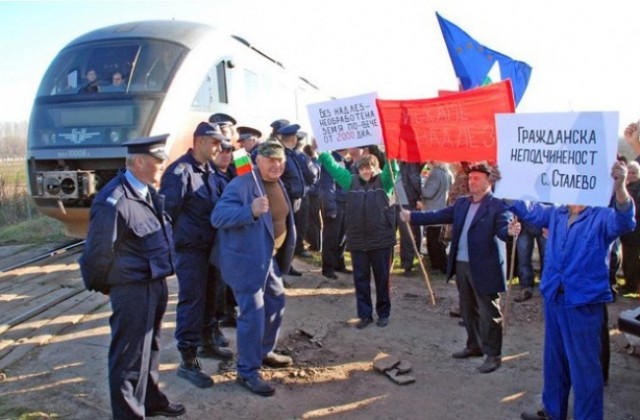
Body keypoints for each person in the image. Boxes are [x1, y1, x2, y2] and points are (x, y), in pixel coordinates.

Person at [513, 160, 635, 420]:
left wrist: (620, 186)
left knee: (585, 369)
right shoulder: (556, 214)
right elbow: (531, 211)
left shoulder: (601, 216)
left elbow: (626, 221)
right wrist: (505, 186)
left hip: (583, 302)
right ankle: (552, 411)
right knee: (554, 361)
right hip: (554, 297)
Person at [79, 134, 186, 419]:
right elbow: (97, 255)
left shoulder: (147, 191)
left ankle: (150, 401)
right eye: (158, 162)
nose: (162, 167)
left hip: (155, 282)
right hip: (132, 289)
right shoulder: (113, 200)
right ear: (138, 162)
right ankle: (129, 414)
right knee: (129, 358)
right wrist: (114, 286)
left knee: (149, 349)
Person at [400, 163, 511, 373]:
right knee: (468, 310)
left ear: (489, 181)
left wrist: (512, 230)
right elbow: (438, 215)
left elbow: (504, 231)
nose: (472, 181)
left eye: (477, 178)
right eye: (471, 178)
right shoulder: (462, 203)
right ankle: (474, 345)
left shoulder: (498, 205)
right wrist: (412, 216)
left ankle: (493, 354)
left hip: (485, 266)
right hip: (461, 263)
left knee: (489, 312)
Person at [211, 140, 296, 397]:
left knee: (276, 302)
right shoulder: (241, 184)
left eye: (280, 160)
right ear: (257, 160)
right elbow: (218, 217)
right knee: (253, 314)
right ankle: (247, 371)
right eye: (270, 159)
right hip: (246, 261)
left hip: (267, 259)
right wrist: (250, 210)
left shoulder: (277, 181)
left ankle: (263, 350)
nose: (276, 164)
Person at [159, 122, 233, 389]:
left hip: (212, 248)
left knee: (212, 297)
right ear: (200, 141)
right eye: (214, 143)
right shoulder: (180, 172)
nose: (219, 148)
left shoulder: (211, 170)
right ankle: (188, 360)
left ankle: (207, 343)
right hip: (190, 250)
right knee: (192, 301)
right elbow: (166, 215)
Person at [319, 150, 399, 328]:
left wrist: (391, 153)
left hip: (381, 240)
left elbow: (392, 170)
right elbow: (334, 169)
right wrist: (323, 154)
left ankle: (383, 313)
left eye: (369, 167)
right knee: (361, 280)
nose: (366, 171)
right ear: (358, 170)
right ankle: (365, 315)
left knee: (382, 279)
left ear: (376, 168)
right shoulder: (350, 181)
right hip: (357, 241)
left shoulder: (384, 182)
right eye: (362, 168)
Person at [277, 123, 318, 274]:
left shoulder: (294, 155)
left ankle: (288, 265)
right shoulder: (282, 155)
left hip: (300, 198)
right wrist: (292, 189)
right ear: (293, 139)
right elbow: (278, 179)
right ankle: (283, 268)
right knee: (288, 234)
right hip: (290, 199)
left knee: (297, 232)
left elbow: (306, 176)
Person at [319, 148, 350, 279]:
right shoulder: (331, 162)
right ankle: (328, 267)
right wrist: (330, 207)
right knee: (331, 237)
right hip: (335, 204)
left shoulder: (344, 161)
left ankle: (339, 264)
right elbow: (327, 187)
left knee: (342, 237)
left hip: (344, 203)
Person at [420, 161, 453, 274]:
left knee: (434, 241)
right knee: (438, 241)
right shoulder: (447, 173)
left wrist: (419, 187)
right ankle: (441, 266)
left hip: (433, 210)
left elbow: (428, 193)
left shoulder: (435, 173)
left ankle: (438, 266)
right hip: (442, 208)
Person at [397, 161, 423, 276]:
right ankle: (398, 262)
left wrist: (419, 197)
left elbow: (415, 181)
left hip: (406, 202)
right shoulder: (392, 161)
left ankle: (408, 265)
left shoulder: (409, 163)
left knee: (407, 234)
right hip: (393, 201)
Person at [514, 220, 546, 302]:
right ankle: (526, 287)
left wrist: (551, 221)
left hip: (544, 221)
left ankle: (548, 287)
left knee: (547, 257)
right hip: (523, 222)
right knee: (523, 258)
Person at [621, 160, 640, 295]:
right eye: (630, 172)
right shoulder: (624, 187)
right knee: (627, 259)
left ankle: (631, 286)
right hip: (625, 232)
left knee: (632, 260)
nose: (632, 175)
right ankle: (629, 284)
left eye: (635, 172)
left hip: (635, 231)